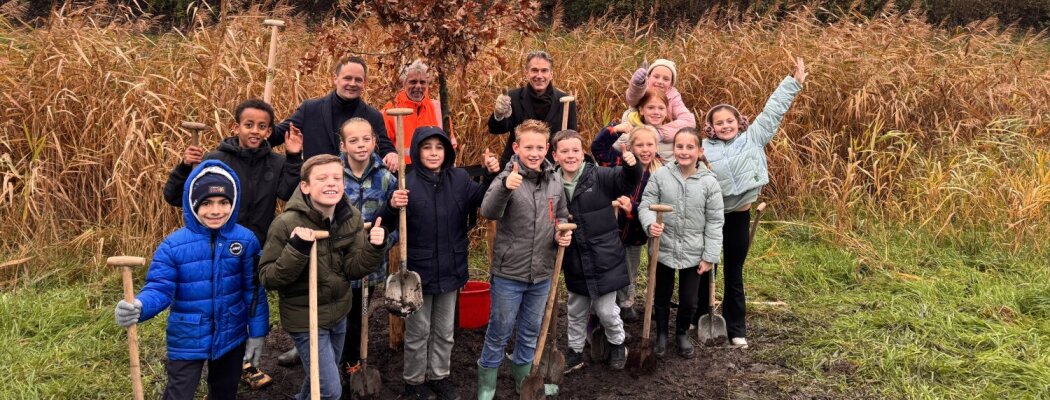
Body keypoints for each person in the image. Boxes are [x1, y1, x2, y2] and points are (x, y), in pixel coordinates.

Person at [115, 160, 269, 400]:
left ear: (233, 202)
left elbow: (254, 291)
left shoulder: (246, 240)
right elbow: (159, 288)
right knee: (180, 391)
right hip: (187, 333)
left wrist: (257, 332)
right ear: (192, 204)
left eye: (223, 202)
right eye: (206, 203)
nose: (216, 211)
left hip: (232, 331)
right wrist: (140, 306)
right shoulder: (172, 246)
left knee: (224, 391)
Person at [694, 57, 807, 349]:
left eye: (730, 120)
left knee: (734, 271)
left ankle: (736, 328)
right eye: (719, 122)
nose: (725, 125)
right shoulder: (703, 149)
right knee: (706, 267)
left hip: (739, 216)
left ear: (738, 121)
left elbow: (772, 112)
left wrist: (793, 83)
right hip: (712, 217)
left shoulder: (752, 138)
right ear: (710, 127)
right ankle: (698, 316)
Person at [383, 126, 500, 400]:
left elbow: (485, 200)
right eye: (427, 147)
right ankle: (413, 381)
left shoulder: (459, 179)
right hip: (418, 274)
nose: (433, 153)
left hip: (451, 267)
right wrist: (391, 205)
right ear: (416, 151)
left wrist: (493, 174)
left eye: (439, 147)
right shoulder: (405, 182)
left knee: (445, 331)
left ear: (447, 151)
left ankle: (439, 376)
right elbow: (385, 221)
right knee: (418, 332)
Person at [258, 154, 387, 400]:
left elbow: (354, 269)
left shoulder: (350, 218)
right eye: (322, 178)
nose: (331, 183)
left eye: (337, 177)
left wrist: (374, 247)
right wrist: (297, 248)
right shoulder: (285, 224)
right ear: (305, 186)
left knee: (317, 379)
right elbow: (268, 278)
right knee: (329, 390)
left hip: (339, 313)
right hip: (306, 318)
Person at [476, 120, 572, 399]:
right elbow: (488, 211)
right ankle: (486, 386)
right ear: (516, 148)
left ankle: (523, 382)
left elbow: (562, 214)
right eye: (528, 147)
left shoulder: (554, 178)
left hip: (542, 273)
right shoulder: (508, 176)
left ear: (548, 149)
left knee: (530, 331)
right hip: (509, 273)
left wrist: (561, 233)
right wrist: (506, 186)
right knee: (499, 331)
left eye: (539, 147)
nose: (534, 152)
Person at [550, 129, 640, 372]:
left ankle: (618, 344)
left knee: (605, 310)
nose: (571, 156)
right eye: (564, 151)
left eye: (575, 151)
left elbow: (626, 181)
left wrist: (632, 166)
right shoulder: (551, 182)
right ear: (555, 155)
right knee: (576, 309)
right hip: (574, 258)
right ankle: (575, 351)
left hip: (605, 257)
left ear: (583, 153)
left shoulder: (598, 175)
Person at [162, 98, 303, 246]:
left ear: (268, 132)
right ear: (236, 128)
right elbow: (174, 197)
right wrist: (185, 167)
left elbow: (287, 194)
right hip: (219, 245)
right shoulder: (215, 161)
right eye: (248, 125)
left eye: (262, 126)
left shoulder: (277, 162)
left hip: (259, 246)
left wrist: (293, 157)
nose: (255, 131)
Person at [639, 128, 724, 359]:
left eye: (690, 147)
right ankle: (662, 335)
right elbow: (646, 204)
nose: (684, 152)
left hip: (694, 250)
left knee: (689, 299)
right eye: (680, 147)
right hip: (663, 246)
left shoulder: (709, 182)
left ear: (699, 150)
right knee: (662, 295)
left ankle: (681, 333)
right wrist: (649, 224)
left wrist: (710, 256)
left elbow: (716, 221)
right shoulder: (661, 175)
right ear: (673, 149)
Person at [335, 118, 399, 378]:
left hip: (370, 265)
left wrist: (384, 241)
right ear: (343, 145)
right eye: (353, 140)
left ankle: (353, 363)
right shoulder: (333, 175)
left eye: (366, 140)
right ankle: (335, 360)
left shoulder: (385, 179)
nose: (360, 145)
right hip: (337, 263)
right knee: (340, 317)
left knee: (360, 315)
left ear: (374, 142)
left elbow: (395, 222)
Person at [269, 56, 399, 171]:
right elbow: (277, 135)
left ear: (364, 83)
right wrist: (261, 125)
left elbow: (385, 148)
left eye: (358, 80)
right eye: (347, 78)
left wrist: (391, 155)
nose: (352, 84)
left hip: (356, 193)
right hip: (317, 188)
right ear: (335, 78)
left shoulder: (373, 116)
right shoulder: (310, 110)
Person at [591, 125, 663, 322]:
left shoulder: (660, 173)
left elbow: (656, 204)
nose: (645, 149)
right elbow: (598, 148)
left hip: (636, 230)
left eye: (650, 144)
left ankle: (626, 302)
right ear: (630, 147)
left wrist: (633, 207)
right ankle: (605, 302)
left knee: (629, 268)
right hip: (612, 227)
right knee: (608, 265)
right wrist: (615, 130)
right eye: (639, 145)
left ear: (657, 146)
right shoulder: (618, 162)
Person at [488, 51, 577, 165]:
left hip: (551, 169)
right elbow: (496, 130)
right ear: (527, 73)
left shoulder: (566, 101)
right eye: (534, 70)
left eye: (544, 70)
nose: (539, 76)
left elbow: (572, 138)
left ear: (551, 74)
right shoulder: (513, 97)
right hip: (517, 167)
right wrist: (498, 115)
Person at [381, 60, 456, 167]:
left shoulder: (438, 108)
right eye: (413, 82)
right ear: (403, 83)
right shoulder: (390, 110)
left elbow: (450, 144)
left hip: (435, 172)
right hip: (403, 173)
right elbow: (383, 146)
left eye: (422, 82)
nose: (418, 86)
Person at [619, 59, 696, 161]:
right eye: (656, 76)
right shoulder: (642, 90)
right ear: (648, 77)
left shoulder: (673, 95)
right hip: (636, 131)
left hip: (662, 135)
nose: (660, 81)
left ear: (671, 83)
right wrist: (637, 84)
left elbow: (689, 121)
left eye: (666, 79)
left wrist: (659, 133)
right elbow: (632, 98)